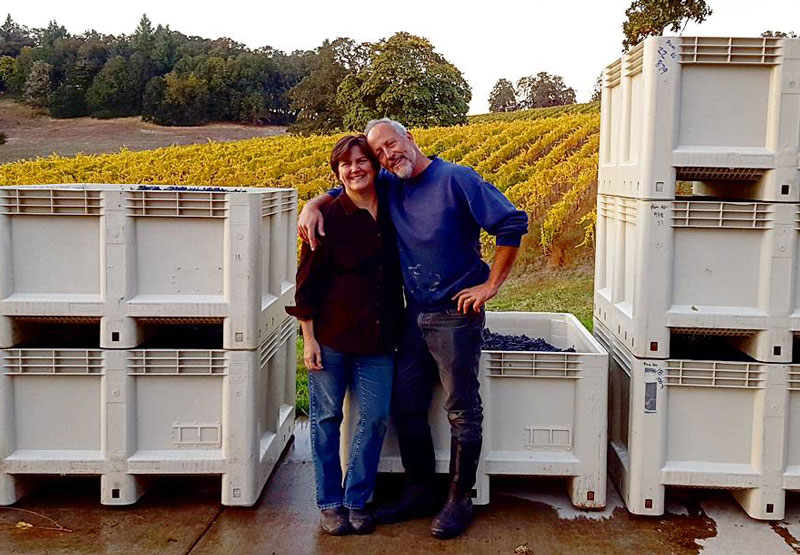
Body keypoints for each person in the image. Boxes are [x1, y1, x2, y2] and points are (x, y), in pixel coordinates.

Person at [298, 119, 528, 539]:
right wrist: (314, 203)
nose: (388, 156)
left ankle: (459, 498)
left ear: (411, 138)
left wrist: (490, 285)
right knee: (406, 405)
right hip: (412, 315)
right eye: (380, 153)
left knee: (461, 409)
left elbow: (511, 223)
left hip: (455, 315)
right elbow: (348, 186)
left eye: (392, 145)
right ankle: (420, 489)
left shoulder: (456, 179)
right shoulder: (391, 183)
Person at [286, 134, 404, 536]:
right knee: (326, 420)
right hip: (332, 337)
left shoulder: (394, 208)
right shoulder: (327, 218)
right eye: (345, 164)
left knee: (373, 421)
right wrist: (309, 339)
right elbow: (307, 284)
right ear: (337, 172)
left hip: (380, 337)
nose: (354, 169)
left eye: (361, 161)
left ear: (374, 165)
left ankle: (357, 500)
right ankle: (330, 504)